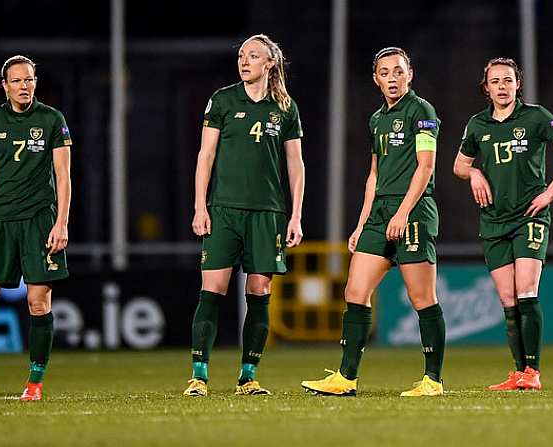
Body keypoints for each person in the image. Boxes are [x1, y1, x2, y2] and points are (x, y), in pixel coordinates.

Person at [301, 47, 445, 397]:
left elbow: (425, 168)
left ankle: (432, 381)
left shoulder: (421, 110)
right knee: (354, 291)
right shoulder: (376, 119)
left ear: (410, 74)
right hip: (379, 213)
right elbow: (374, 174)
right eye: (385, 72)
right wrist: (362, 222)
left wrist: (403, 213)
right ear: (376, 79)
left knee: (421, 296)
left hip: (413, 211)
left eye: (398, 71)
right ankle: (345, 378)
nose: (392, 78)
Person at [184, 34, 305, 396]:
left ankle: (248, 376)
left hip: (267, 213)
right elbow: (205, 156)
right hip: (223, 210)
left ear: (270, 64)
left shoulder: (285, 108)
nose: (244, 60)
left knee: (259, 289)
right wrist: (200, 205)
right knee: (213, 288)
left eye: (253, 56)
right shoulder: (222, 100)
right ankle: (199, 376)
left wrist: (296, 215)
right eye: (241, 55)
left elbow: (295, 164)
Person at [453, 57, 553, 390]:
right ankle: (519, 372)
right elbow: (457, 165)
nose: (502, 86)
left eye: (508, 80)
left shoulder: (536, 116)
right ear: (486, 87)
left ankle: (533, 372)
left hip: (529, 216)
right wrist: (474, 172)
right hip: (493, 220)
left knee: (526, 291)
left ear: (517, 84)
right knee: (507, 301)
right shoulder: (477, 125)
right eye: (495, 81)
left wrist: (549, 194)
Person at [0, 55, 72, 401]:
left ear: (36, 82)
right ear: (4, 86)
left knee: (38, 303)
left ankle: (34, 384)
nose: (25, 86)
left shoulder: (52, 120)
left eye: (30, 80)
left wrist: (61, 221)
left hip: (39, 221)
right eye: (17, 81)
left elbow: (64, 176)